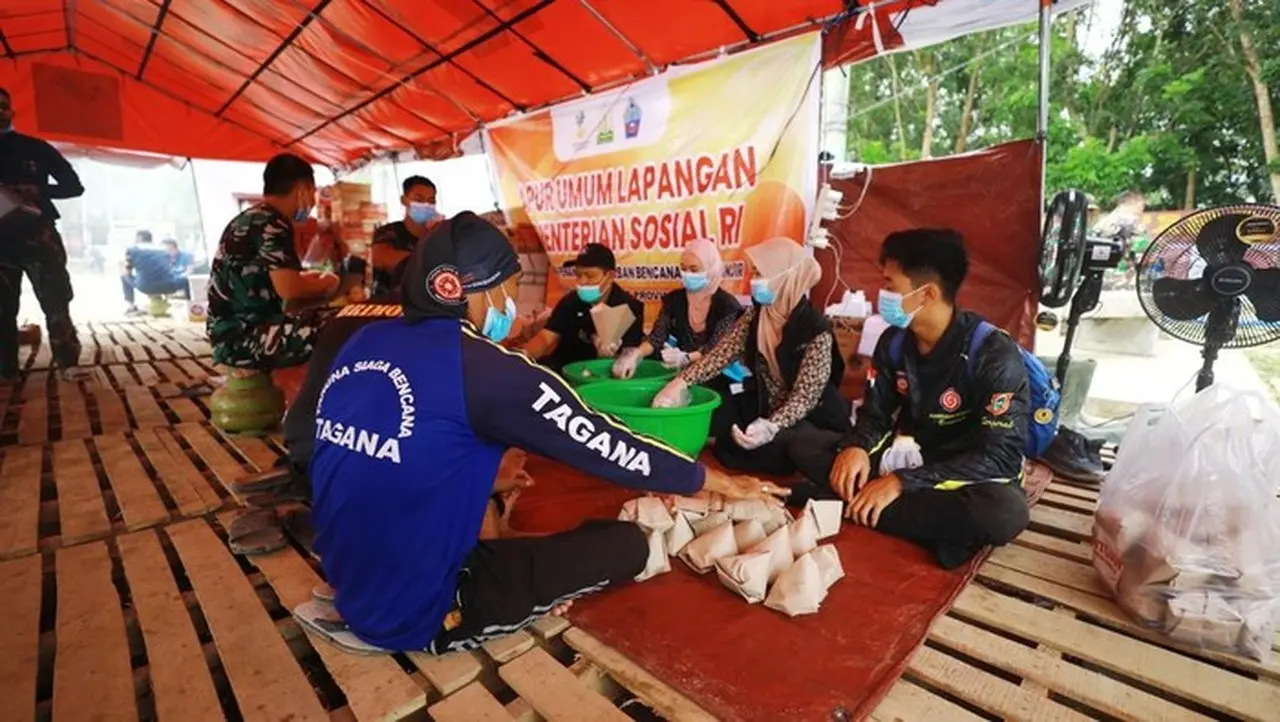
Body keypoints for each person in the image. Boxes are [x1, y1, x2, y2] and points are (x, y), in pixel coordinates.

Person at [308, 212, 787, 653]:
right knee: (626, 546)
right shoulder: (484, 367)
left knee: (496, 506)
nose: (513, 308)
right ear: (475, 289)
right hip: (417, 614)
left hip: (349, 580)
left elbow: (396, 447)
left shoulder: (365, 339)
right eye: (510, 289)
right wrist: (716, 480)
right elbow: (607, 443)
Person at [791, 229, 1032, 569]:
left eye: (890, 286)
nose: (882, 295)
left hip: (966, 474)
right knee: (802, 445)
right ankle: (929, 529)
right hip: (915, 458)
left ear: (928, 293)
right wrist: (857, 447)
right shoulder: (893, 342)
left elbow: (1000, 458)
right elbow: (876, 414)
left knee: (1004, 514)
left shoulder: (993, 353)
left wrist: (901, 482)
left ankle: (846, 504)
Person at [652, 237, 851, 475]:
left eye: (760, 273)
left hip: (811, 417)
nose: (754, 282)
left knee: (796, 448)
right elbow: (721, 354)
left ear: (786, 276)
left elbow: (806, 396)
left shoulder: (815, 329)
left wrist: (773, 425)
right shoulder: (757, 314)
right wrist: (681, 382)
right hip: (766, 406)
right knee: (726, 433)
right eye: (754, 273)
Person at [206, 153, 347, 373]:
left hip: (231, 333)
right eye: (313, 191)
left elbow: (275, 279)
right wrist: (329, 282)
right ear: (302, 189)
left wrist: (305, 280)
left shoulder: (253, 217)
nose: (312, 200)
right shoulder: (272, 222)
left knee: (330, 319)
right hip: (244, 339)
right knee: (345, 326)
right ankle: (313, 403)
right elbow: (290, 290)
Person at [0, 86, 84, 380]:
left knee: (56, 301)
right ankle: (5, 371)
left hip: (38, 236)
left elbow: (74, 186)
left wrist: (38, 190)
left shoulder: (36, 148)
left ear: (12, 111)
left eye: (2, 105)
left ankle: (68, 363)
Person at [612, 238, 743, 380]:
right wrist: (636, 354)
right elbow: (657, 337)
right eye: (683, 268)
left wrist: (686, 357)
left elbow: (718, 349)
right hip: (683, 374)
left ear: (710, 270)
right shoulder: (675, 300)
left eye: (694, 270)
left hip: (720, 375)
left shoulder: (727, 305)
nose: (687, 274)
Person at [523, 243, 644, 374]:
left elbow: (629, 357)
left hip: (602, 376)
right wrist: (524, 355)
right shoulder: (571, 302)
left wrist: (610, 354)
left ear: (609, 276)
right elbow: (546, 337)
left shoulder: (628, 307)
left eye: (590, 276)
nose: (582, 281)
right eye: (578, 275)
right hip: (564, 370)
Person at [368, 175, 439, 299]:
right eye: (419, 199)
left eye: (431, 201)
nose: (426, 205)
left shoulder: (437, 236)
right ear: (404, 200)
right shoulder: (390, 232)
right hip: (390, 305)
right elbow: (380, 257)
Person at [122, 231, 190, 315]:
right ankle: (191, 308)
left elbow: (128, 269)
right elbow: (169, 268)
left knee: (124, 276)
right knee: (187, 280)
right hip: (169, 286)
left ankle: (131, 307)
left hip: (145, 286)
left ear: (139, 238)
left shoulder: (132, 250)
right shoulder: (162, 249)